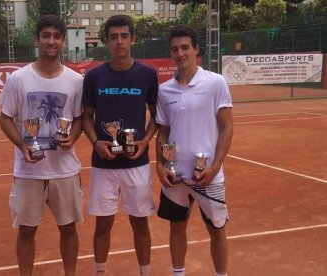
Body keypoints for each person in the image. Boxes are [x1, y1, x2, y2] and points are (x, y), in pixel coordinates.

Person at [0, 15, 84, 276]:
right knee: (26, 231)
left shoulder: (76, 81)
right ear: (37, 39)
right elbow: (5, 118)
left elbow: (79, 118)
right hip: (29, 170)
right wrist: (23, 145)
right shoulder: (19, 79)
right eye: (46, 35)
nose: (51, 41)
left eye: (56, 36)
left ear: (63, 41)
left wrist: (73, 137)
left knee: (68, 229)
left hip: (65, 170)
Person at [82, 15, 159, 276]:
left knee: (140, 224)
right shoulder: (94, 77)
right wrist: (95, 142)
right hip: (104, 162)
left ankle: (145, 272)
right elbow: (86, 117)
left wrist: (146, 141)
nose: (119, 42)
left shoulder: (148, 75)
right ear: (106, 41)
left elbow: (156, 116)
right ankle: (100, 272)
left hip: (137, 162)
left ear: (133, 39)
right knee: (103, 224)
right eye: (113, 37)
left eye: (124, 36)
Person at [155, 25, 233, 276]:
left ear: (196, 49)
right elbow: (163, 132)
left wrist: (216, 166)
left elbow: (227, 127)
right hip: (175, 174)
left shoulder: (215, 82)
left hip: (208, 175)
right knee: (177, 227)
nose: (180, 53)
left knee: (216, 229)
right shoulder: (164, 90)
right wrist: (160, 164)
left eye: (185, 47)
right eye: (175, 49)